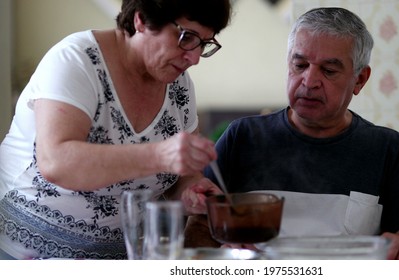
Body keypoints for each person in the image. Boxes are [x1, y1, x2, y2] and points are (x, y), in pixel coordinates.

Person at [0, 0, 231, 259]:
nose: (195, 58)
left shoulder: (179, 86)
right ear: (141, 20)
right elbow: (55, 162)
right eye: (186, 37)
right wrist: (159, 155)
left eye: (204, 43)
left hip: (120, 257)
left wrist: (190, 192)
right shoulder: (76, 60)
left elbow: (181, 177)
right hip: (23, 253)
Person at [189, 7, 399, 260]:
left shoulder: (386, 148)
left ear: (360, 80)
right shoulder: (242, 137)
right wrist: (220, 256)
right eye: (300, 65)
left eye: (329, 71)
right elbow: (199, 228)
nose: (309, 81)